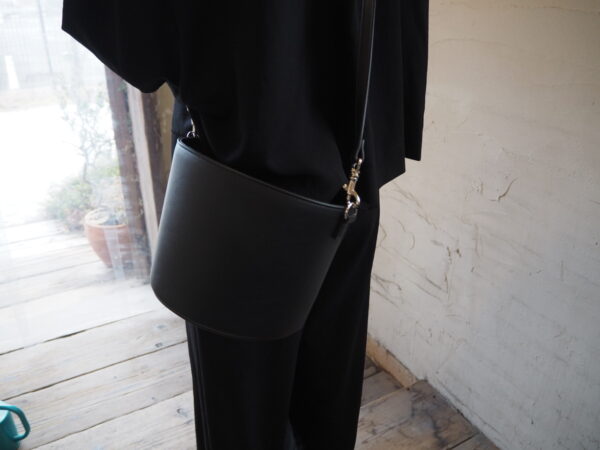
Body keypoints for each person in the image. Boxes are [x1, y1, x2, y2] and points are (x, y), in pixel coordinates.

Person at [62, 1, 428, 448]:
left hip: (238, 162)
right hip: (351, 161)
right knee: (329, 396)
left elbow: (123, 36)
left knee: (241, 416)